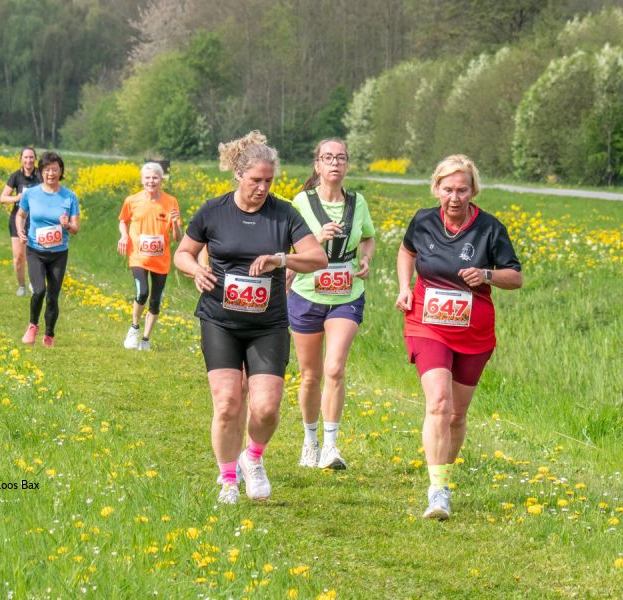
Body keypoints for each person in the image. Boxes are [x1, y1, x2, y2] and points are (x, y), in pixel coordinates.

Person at [174, 131, 327, 505]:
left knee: (266, 407)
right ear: (238, 175)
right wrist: (196, 270)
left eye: (268, 181)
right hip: (220, 320)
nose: (262, 188)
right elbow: (182, 253)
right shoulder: (214, 211)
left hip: (267, 324)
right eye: (256, 180)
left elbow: (318, 258)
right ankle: (229, 480)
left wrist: (280, 259)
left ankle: (253, 457)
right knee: (227, 403)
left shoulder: (283, 213)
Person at [395, 154, 522, 520]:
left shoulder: (490, 229)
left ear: (473, 191)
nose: (454, 197)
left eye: (462, 190)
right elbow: (407, 251)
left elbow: (515, 277)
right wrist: (405, 287)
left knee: (455, 415)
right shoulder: (423, 221)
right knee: (438, 402)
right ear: (437, 188)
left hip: (473, 331)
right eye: (448, 189)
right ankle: (437, 491)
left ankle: (444, 481)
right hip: (427, 323)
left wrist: (486, 275)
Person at [287, 139, 375, 470]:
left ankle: (331, 445)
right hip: (307, 293)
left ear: (347, 164)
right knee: (310, 375)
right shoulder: (301, 202)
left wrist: (365, 258)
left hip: (346, 295)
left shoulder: (358, 202)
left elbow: (368, 237)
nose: (334, 163)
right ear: (318, 165)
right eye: (328, 157)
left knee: (335, 367)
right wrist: (317, 240)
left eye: (340, 158)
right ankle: (310, 441)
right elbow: (288, 247)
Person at [15, 151, 80, 348]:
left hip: (59, 253)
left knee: (53, 295)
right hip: (35, 250)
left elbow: (75, 228)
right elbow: (20, 215)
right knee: (39, 290)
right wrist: (20, 230)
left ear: (61, 171)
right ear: (41, 171)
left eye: (54, 169)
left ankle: (49, 333)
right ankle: (32, 325)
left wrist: (67, 225)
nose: (51, 173)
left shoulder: (69, 196)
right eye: (46, 170)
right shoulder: (31, 194)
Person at [117, 162, 182, 351]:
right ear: (142, 180)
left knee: (155, 301)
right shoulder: (132, 200)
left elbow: (177, 237)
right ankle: (134, 328)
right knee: (142, 292)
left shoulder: (171, 202)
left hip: (161, 260)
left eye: (155, 178)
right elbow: (123, 221)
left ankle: (145, 339)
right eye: (147, 178)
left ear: (161, 180)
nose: (151, 181)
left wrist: (175, 223)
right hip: (138, 256)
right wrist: (124, 236)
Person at [0, 147, 41, 296]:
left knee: (36, 255)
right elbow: (2, 198)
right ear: (21, 159)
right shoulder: (16, 176)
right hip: (18, 218)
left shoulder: (41, 176)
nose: (28, 160)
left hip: (37, 219)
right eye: (26, 157)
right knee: (19, 257)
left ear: (35, 159)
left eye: (31, 157)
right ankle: (21, 286)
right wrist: (16, 198)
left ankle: (34, 282)